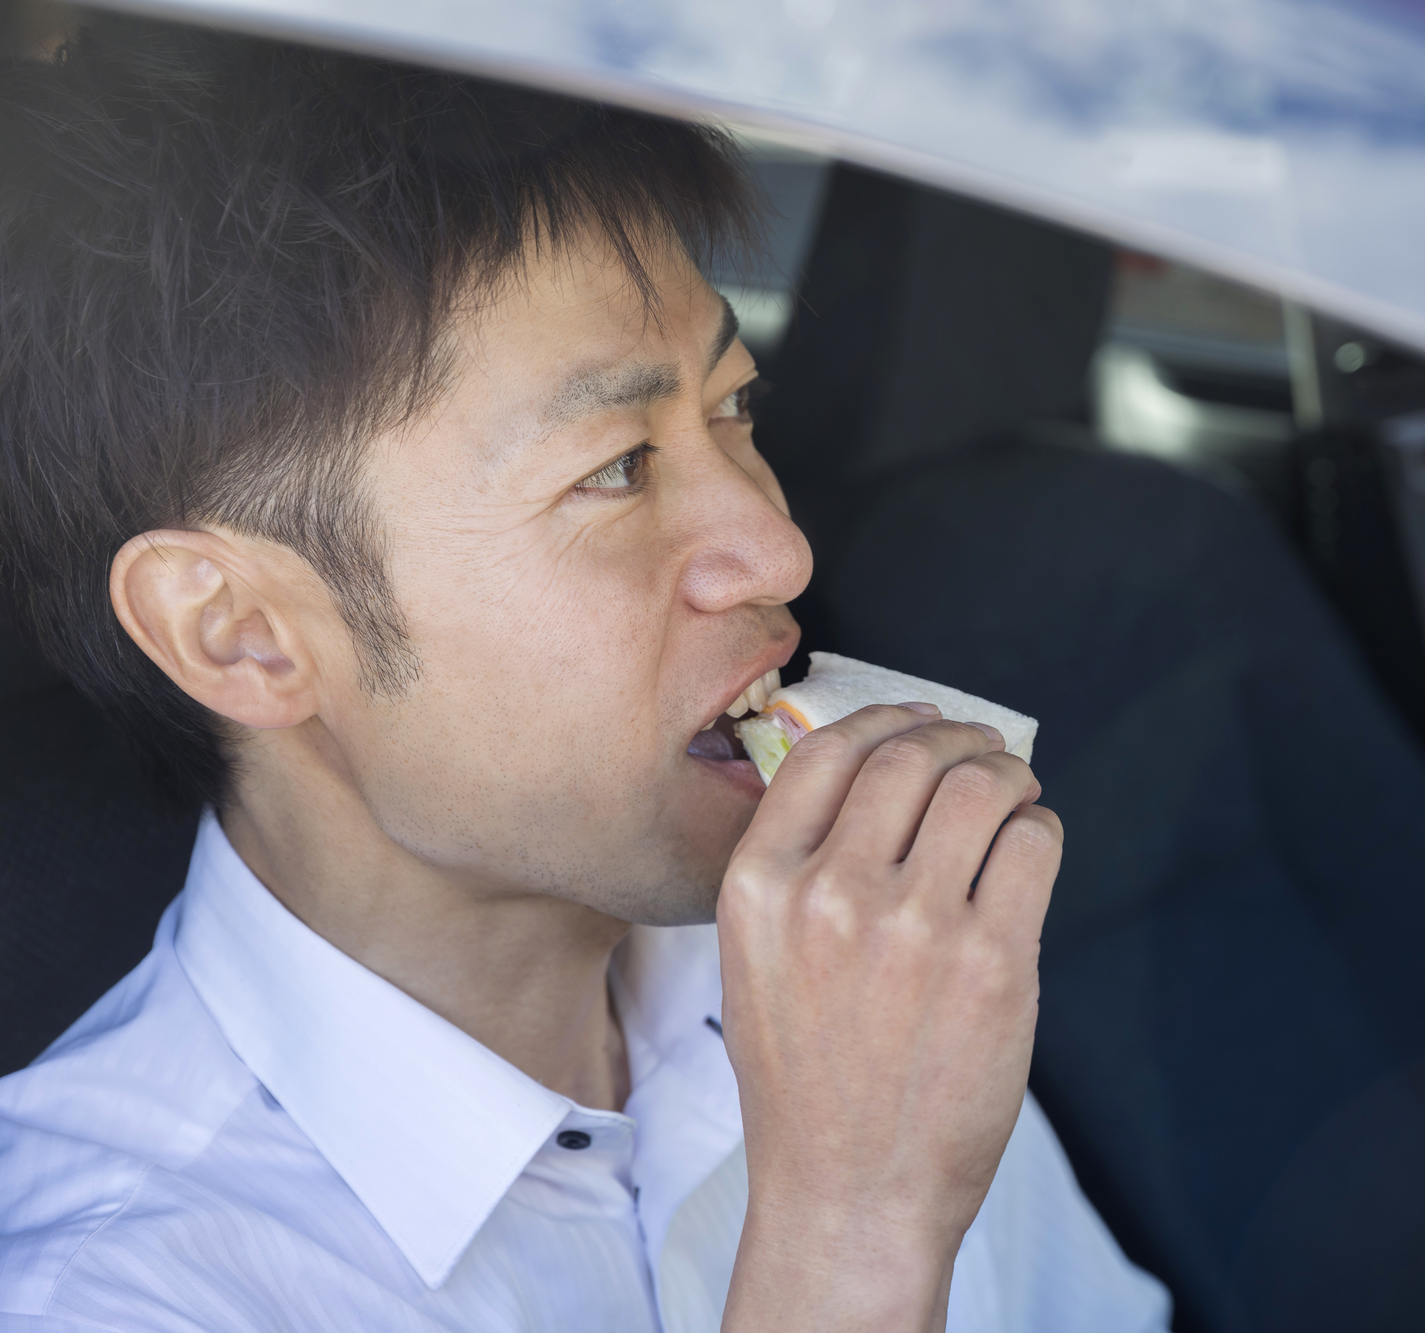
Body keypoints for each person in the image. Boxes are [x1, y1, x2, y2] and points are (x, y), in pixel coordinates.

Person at [0, 18, 1169, 1333]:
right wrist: (845, 1235)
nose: (776, 545)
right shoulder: (99, 1292)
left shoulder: (839, 977)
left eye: (734, 408)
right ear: (243, 632)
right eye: (615, 469)